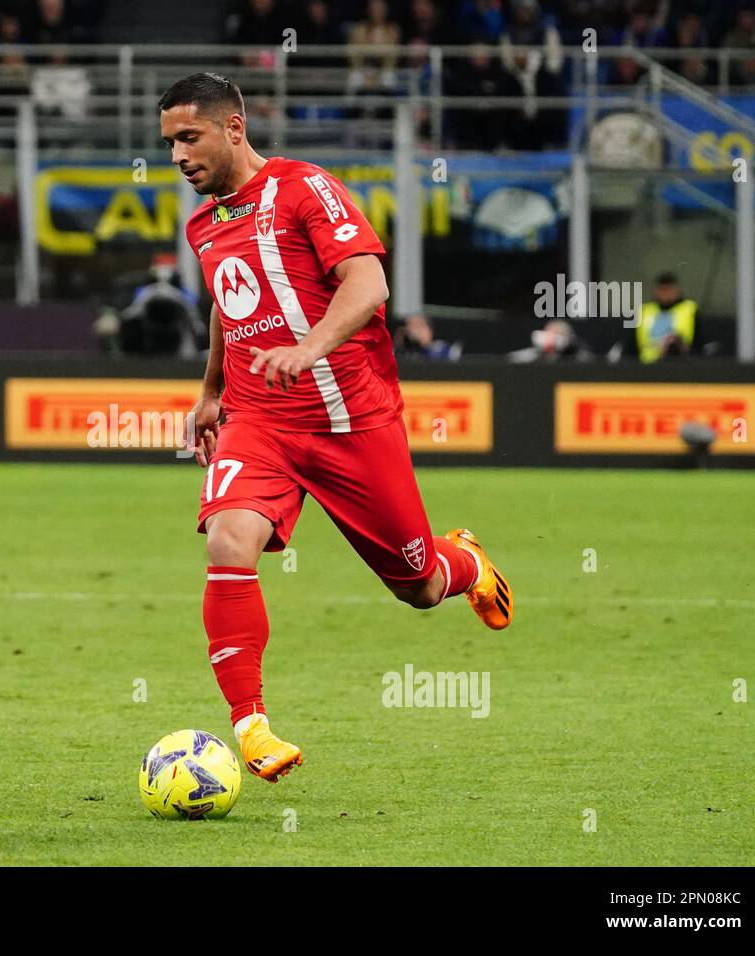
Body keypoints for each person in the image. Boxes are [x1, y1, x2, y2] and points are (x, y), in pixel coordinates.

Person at [160, 73, 512, 784]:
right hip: (259, 420)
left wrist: (310, 346)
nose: (175, 155)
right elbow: (229, 310)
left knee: (418, 585)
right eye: (167, 142)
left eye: (188, 137)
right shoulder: (202, 224)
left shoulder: (304, 188)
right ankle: (250, 726)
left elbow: (367, 284)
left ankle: (466, 563)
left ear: (234, 129)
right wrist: (209, 392)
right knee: (229, 538)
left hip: (352, 421)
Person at [636, 272, 697, 363]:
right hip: (646, 366)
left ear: (677, 290)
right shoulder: (645, 311)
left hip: (679, 365)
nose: (666, 294)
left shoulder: (689, 309)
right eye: (662, 290)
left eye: (669, 289)